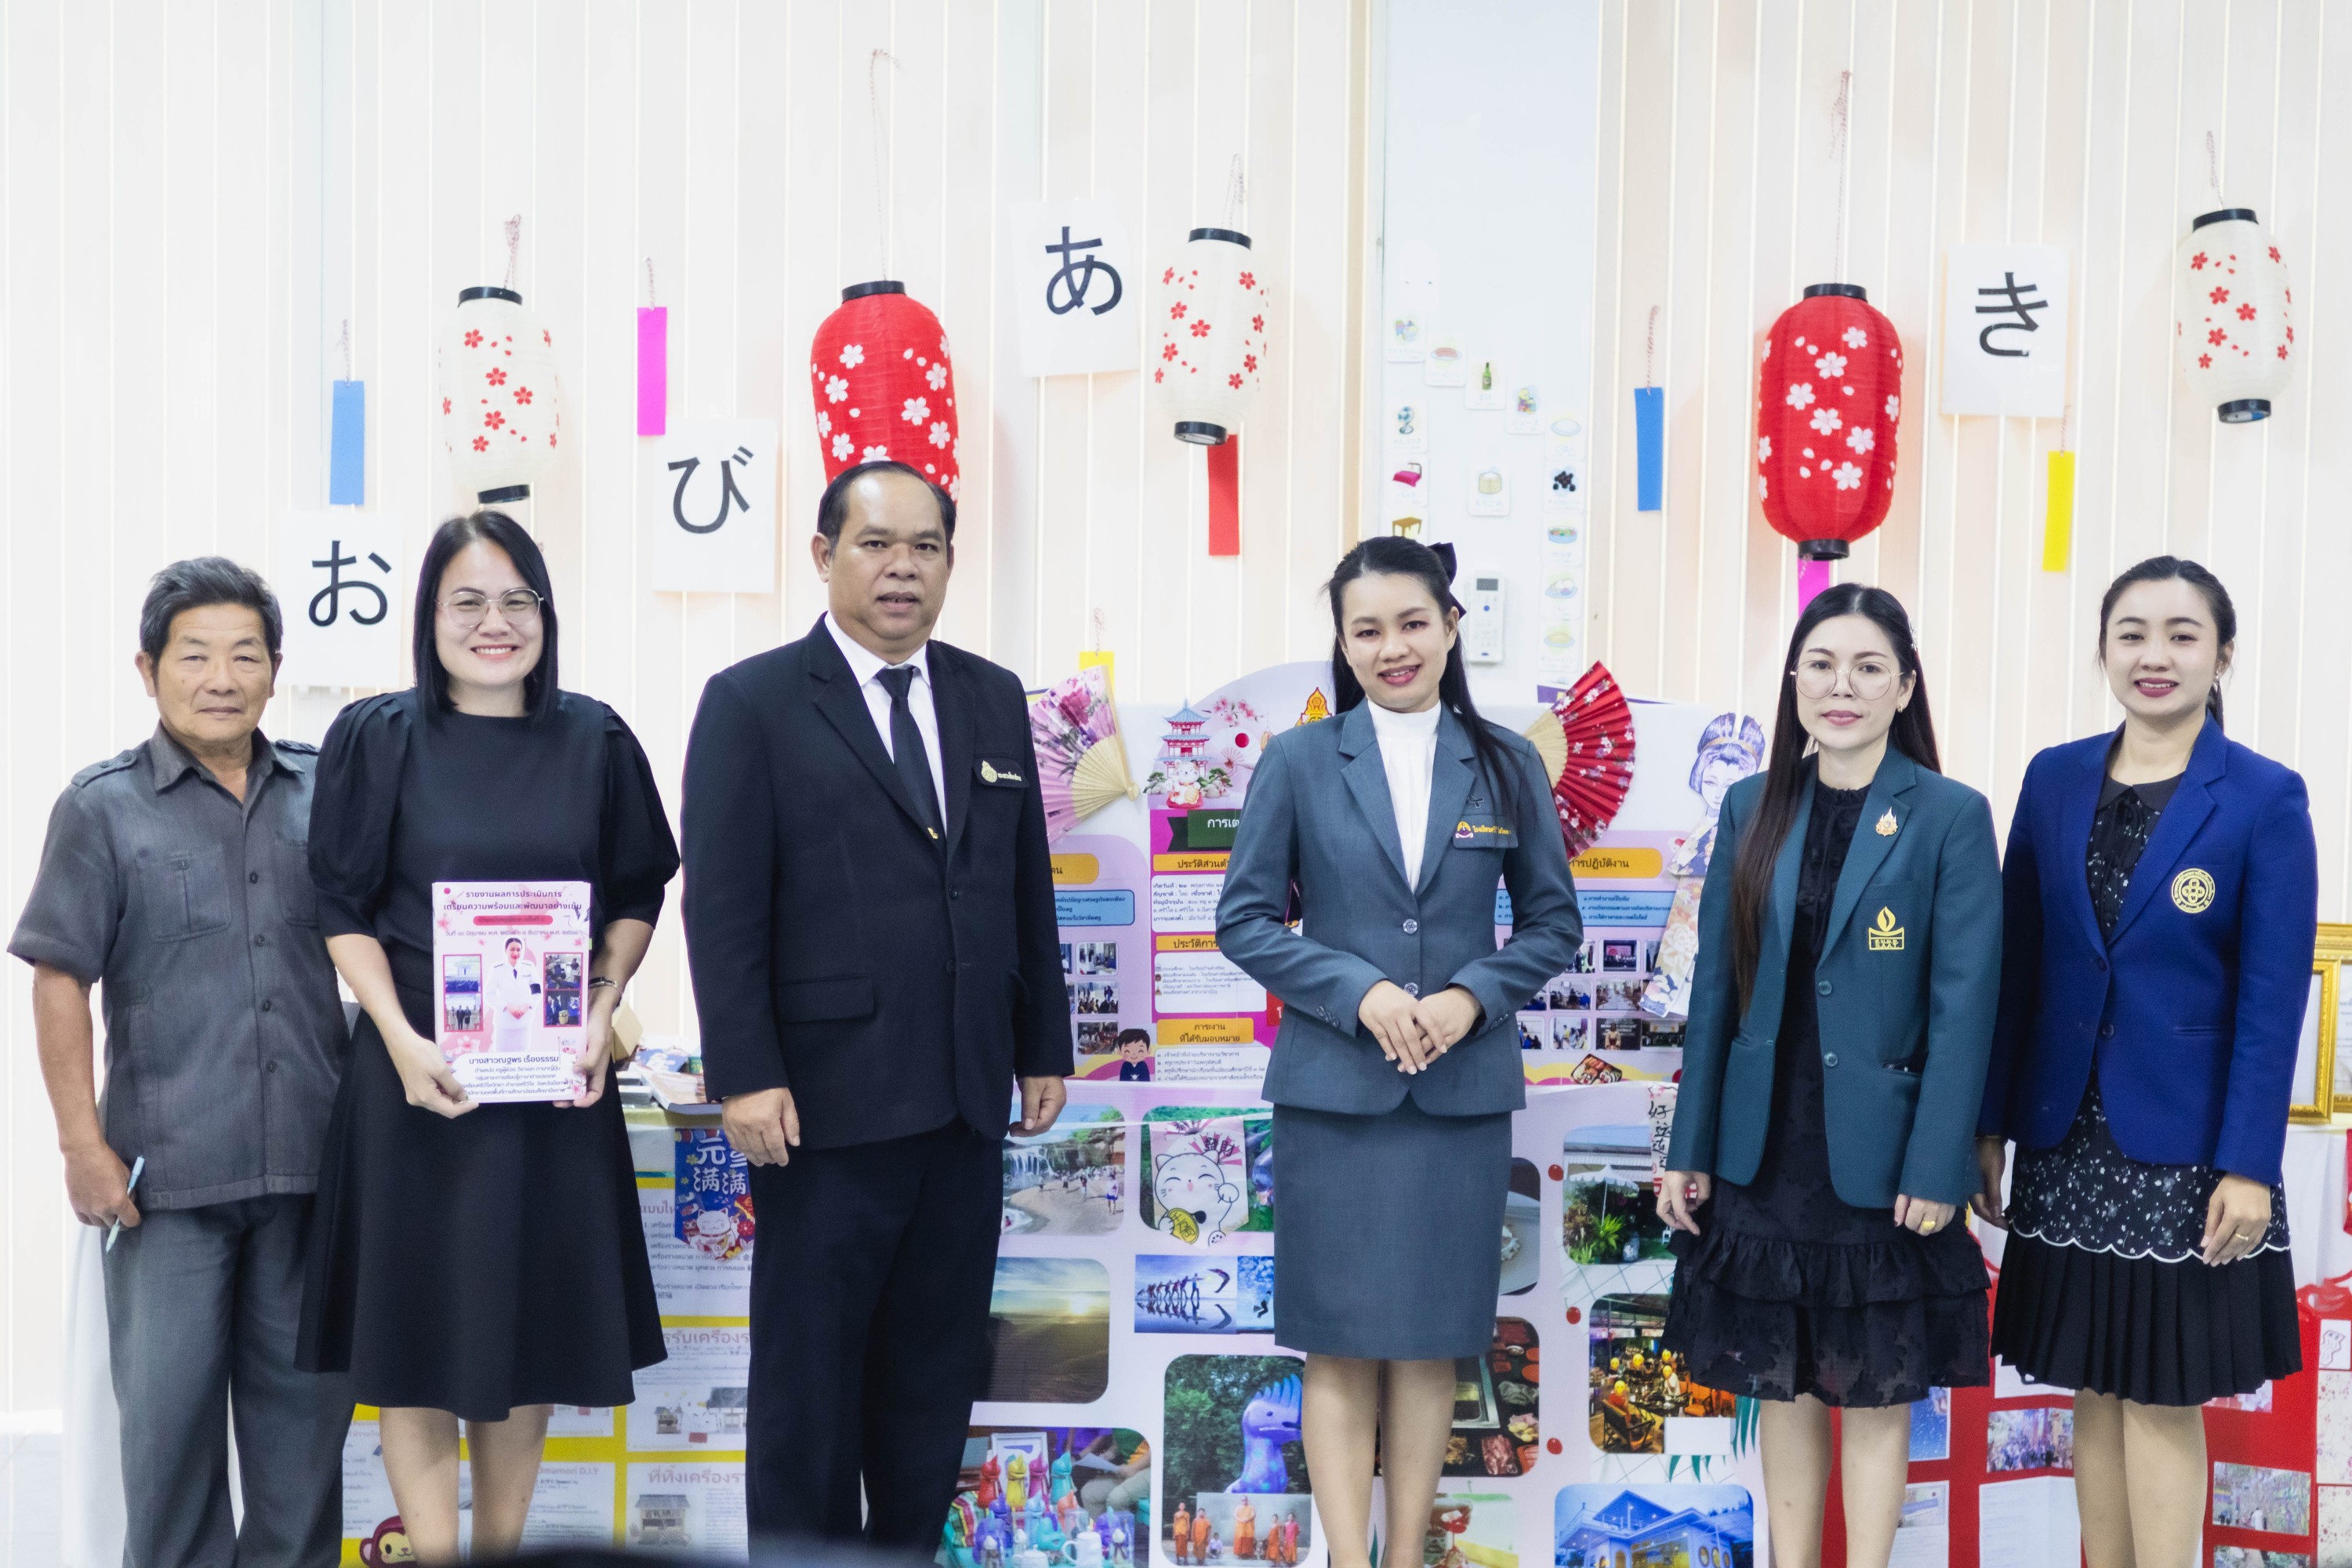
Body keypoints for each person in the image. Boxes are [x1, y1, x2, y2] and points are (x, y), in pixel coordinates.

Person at [681, 459, 1072, 1545]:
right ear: (824, 554)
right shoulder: (753, 703)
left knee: (930, 1389)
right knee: (809, 1395)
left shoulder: (991, 695)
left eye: (927, 547)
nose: (904, 568)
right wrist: (745, 1073)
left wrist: (1042, 1041)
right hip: (823, 1109)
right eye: (877, 543)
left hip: (963, 1100)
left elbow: (1024, 882)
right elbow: (723, 908)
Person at [296, 511, 678, 1563]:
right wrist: (399, 1038)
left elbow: (637, 891)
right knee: (413, 1343)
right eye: (467, 600)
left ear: (547, 614)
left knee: (525, 1335)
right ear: (429, 616)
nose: (494, 621)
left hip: (549, 1090)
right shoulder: (377, 736)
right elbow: (339, 905)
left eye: (518, 599)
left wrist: (599, 1008)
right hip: (416, 1086)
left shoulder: (596, 739)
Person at [1215, 536, 1581, 1568]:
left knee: (1432, 1343)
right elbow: (1244, 920)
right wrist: (1358, 990)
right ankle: (1348, 1558)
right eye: (1367, 630)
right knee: (1336, 1344)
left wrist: (1472, 996)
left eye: (1413, 623)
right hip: (1334, 1097)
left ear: (1451, 626)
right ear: (1342, 643)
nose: (1393, 647)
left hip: (1458, 1097)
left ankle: (1406, 1552)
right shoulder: (1298, 760)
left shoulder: (1506, 762)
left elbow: (1554, 924)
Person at [10, 558, 353, 1568]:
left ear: (276, 668)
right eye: (195, 655)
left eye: (245, 654)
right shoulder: (102, 808)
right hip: (164, 1185)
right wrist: (81, 1146)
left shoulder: (326, 791)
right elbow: (59, 979)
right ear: (148, 669)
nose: (221, 678)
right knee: (167, 1455)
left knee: (303, 1456)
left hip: (312, 1174)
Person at [1974, 557, 2312, 1567]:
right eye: (2132, 632)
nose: (2153, 654)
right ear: (2104, 650)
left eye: (2181, 633)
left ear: (2222, 654)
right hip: (2065, 1135)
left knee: (2163, 1392)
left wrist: (2250, 1163)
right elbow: (2019, 965)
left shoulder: (2263, 796)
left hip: (2189, 1148)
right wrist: (1989, 1123)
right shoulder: (2053, 777)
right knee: (2093, 1381)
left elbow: (2272, 1000)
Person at [1657, 583, 2001, 1568]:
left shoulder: (1949, 814)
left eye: (1867, 667)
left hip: (1882, 1155)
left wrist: (1938, 1164)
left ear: (1905, 686)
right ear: (1794, 679)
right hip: (1764, 1145)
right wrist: (1689, 1148)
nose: (1841, 685)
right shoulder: (1751, 803)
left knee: (1875, 1390)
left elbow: (1965, 1006)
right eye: (1821, 664)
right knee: (1784, 1385)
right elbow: (1716, 993)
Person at [488, 936, 541, 1053]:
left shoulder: (529, 968)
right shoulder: (497, 970)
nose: (515, 953)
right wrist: (506, 1006)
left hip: (524, 1020)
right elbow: (490, 995)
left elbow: (537, 992)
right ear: (505, 951)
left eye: (518, 950)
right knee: (502, 1054)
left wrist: (527, 1005)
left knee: (523, 1053)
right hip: (504, 1021)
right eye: (512, 949)